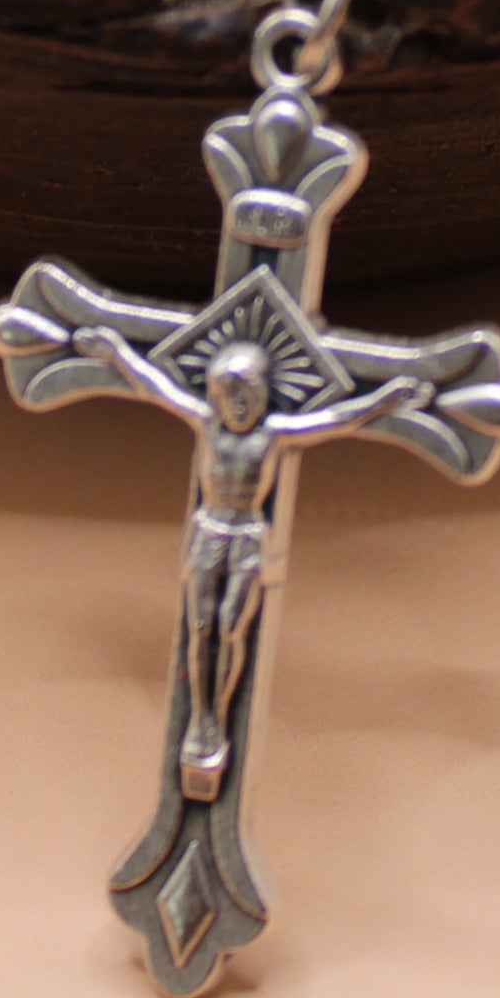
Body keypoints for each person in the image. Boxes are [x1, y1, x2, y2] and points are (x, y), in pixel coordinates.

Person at [72, 329, 428, 797]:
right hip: (209, 532)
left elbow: (339, 418)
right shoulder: (205, 423)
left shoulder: (275, 434)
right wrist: (117, 352)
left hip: (246, 537)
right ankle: (200, 718)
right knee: (199, 626)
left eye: (247, 395)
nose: (238, 405)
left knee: (230, 627)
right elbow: (155, 384)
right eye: (228, 394)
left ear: (262, 393)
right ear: (217, 394)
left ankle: (218, 720)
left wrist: (386, 398)